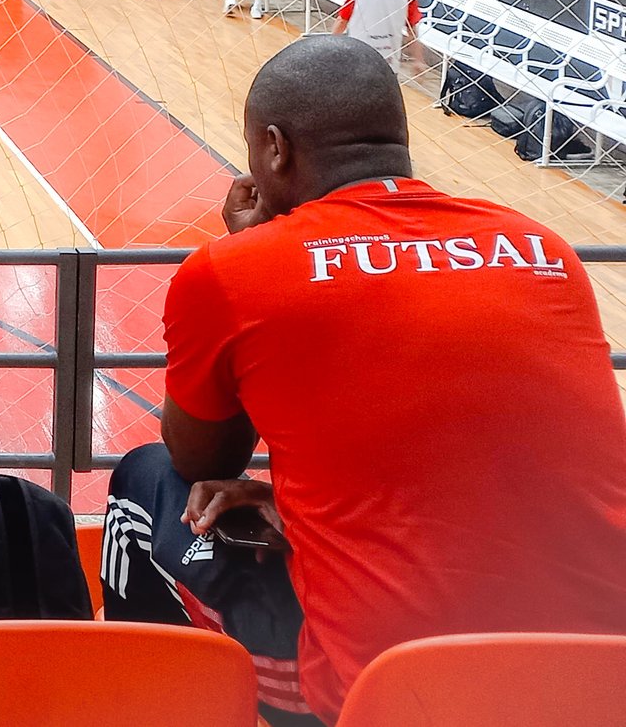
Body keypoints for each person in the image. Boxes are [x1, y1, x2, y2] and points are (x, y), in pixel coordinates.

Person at [101, 37, 626, 727]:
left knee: (143, 482)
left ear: (276, 150)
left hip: (389, 690)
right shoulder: (542, 247)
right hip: (597, 679)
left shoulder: (232, 271)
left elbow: (203, 461)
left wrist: (240, 248)